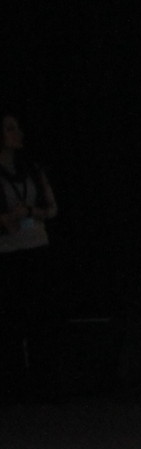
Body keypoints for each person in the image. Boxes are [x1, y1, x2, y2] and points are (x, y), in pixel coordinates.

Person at [0, 110, 61, 396]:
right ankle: (14, 384)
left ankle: (44, 382)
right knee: (12, 319)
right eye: (10, 129)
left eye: (17, 128)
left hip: (37, 246)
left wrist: (30, 212)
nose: (17, 134)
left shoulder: (33, 169)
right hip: (8, 250)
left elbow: (52, 208)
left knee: (40, 317)